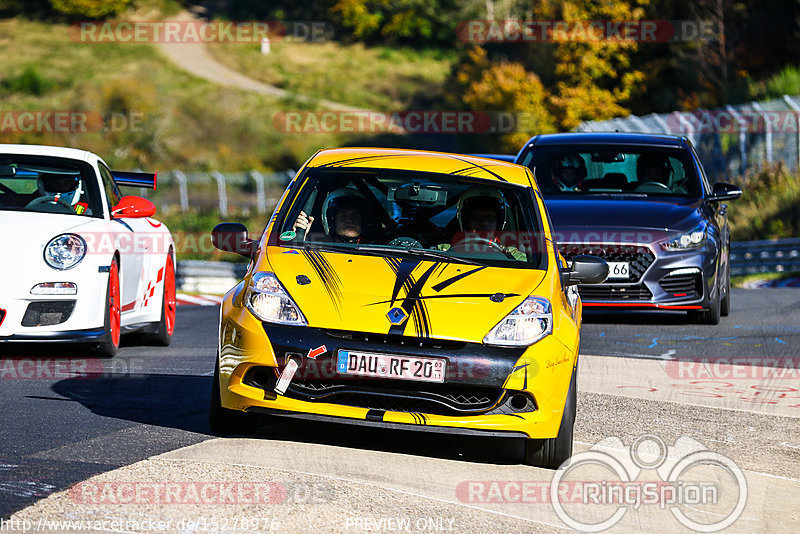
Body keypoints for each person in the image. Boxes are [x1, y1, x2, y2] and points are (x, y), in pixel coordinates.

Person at [437, 186, 526, 260]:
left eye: (490, 218)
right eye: (477, 218)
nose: (484, 223)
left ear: (498, 223)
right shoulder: (444, 250)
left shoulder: (513, 256)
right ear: (467, 222)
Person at [292, 188, 369, 243]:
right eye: (343, 216)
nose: (350, 220)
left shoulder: (375, 249)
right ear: (331, 221)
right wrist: (301, 237)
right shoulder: (317, 247)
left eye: (355, 216)